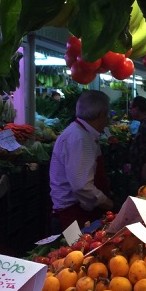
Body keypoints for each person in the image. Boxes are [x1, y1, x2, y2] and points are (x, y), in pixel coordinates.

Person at [50, 90, 114, 230]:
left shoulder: (81, 132)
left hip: (79, 210)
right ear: (102, 115)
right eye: (107, 115)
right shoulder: (80, 138)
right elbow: (81, 186)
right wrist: (107, 203)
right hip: (73, 214)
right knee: (75, 252)